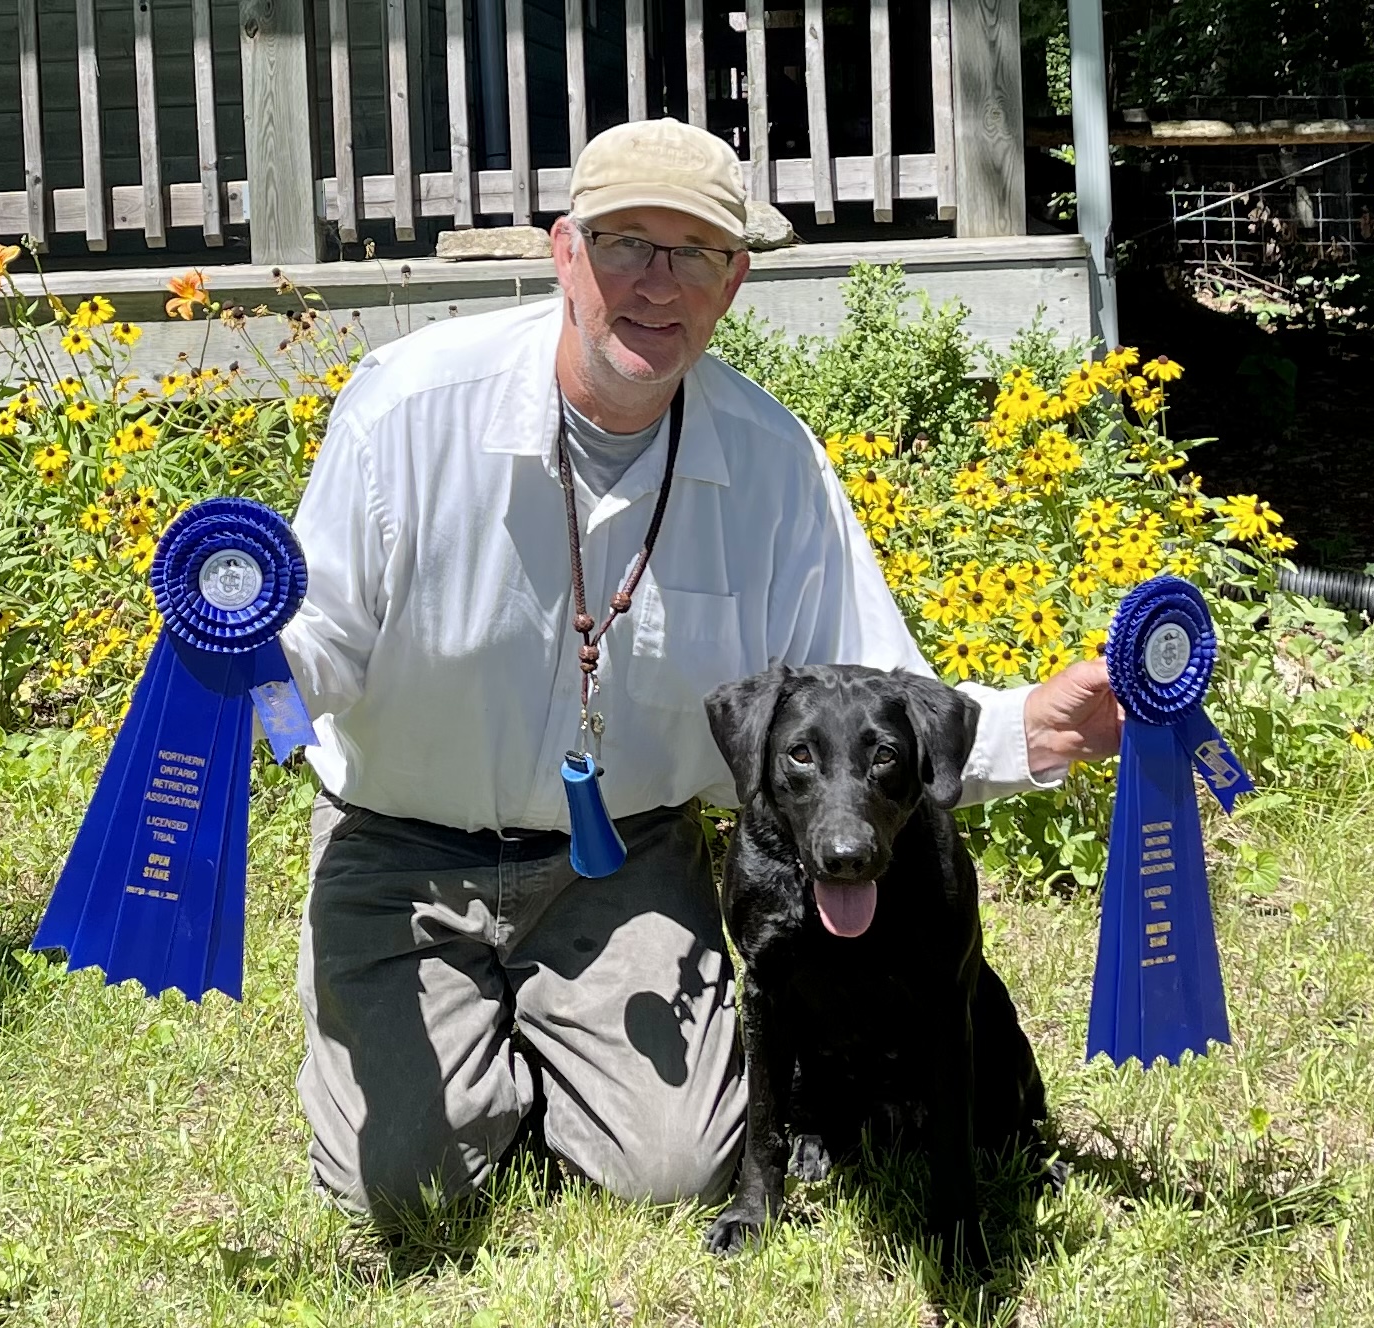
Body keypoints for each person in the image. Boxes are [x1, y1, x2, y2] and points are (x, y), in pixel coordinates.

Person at [279, 117, 1121, 1223]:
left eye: (696, 256)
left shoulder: (775, 461)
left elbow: (872, 692)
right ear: (562, 250)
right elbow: (318, 639)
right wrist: (249, 658)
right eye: (626, 243)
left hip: (618, 865)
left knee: (672, 1168)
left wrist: (1039, 726)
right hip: (403, 853)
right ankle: (466, 1027)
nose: (656, 285)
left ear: (733, 283)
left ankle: (533, 1034)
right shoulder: (406, 405)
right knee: (405, 1193)